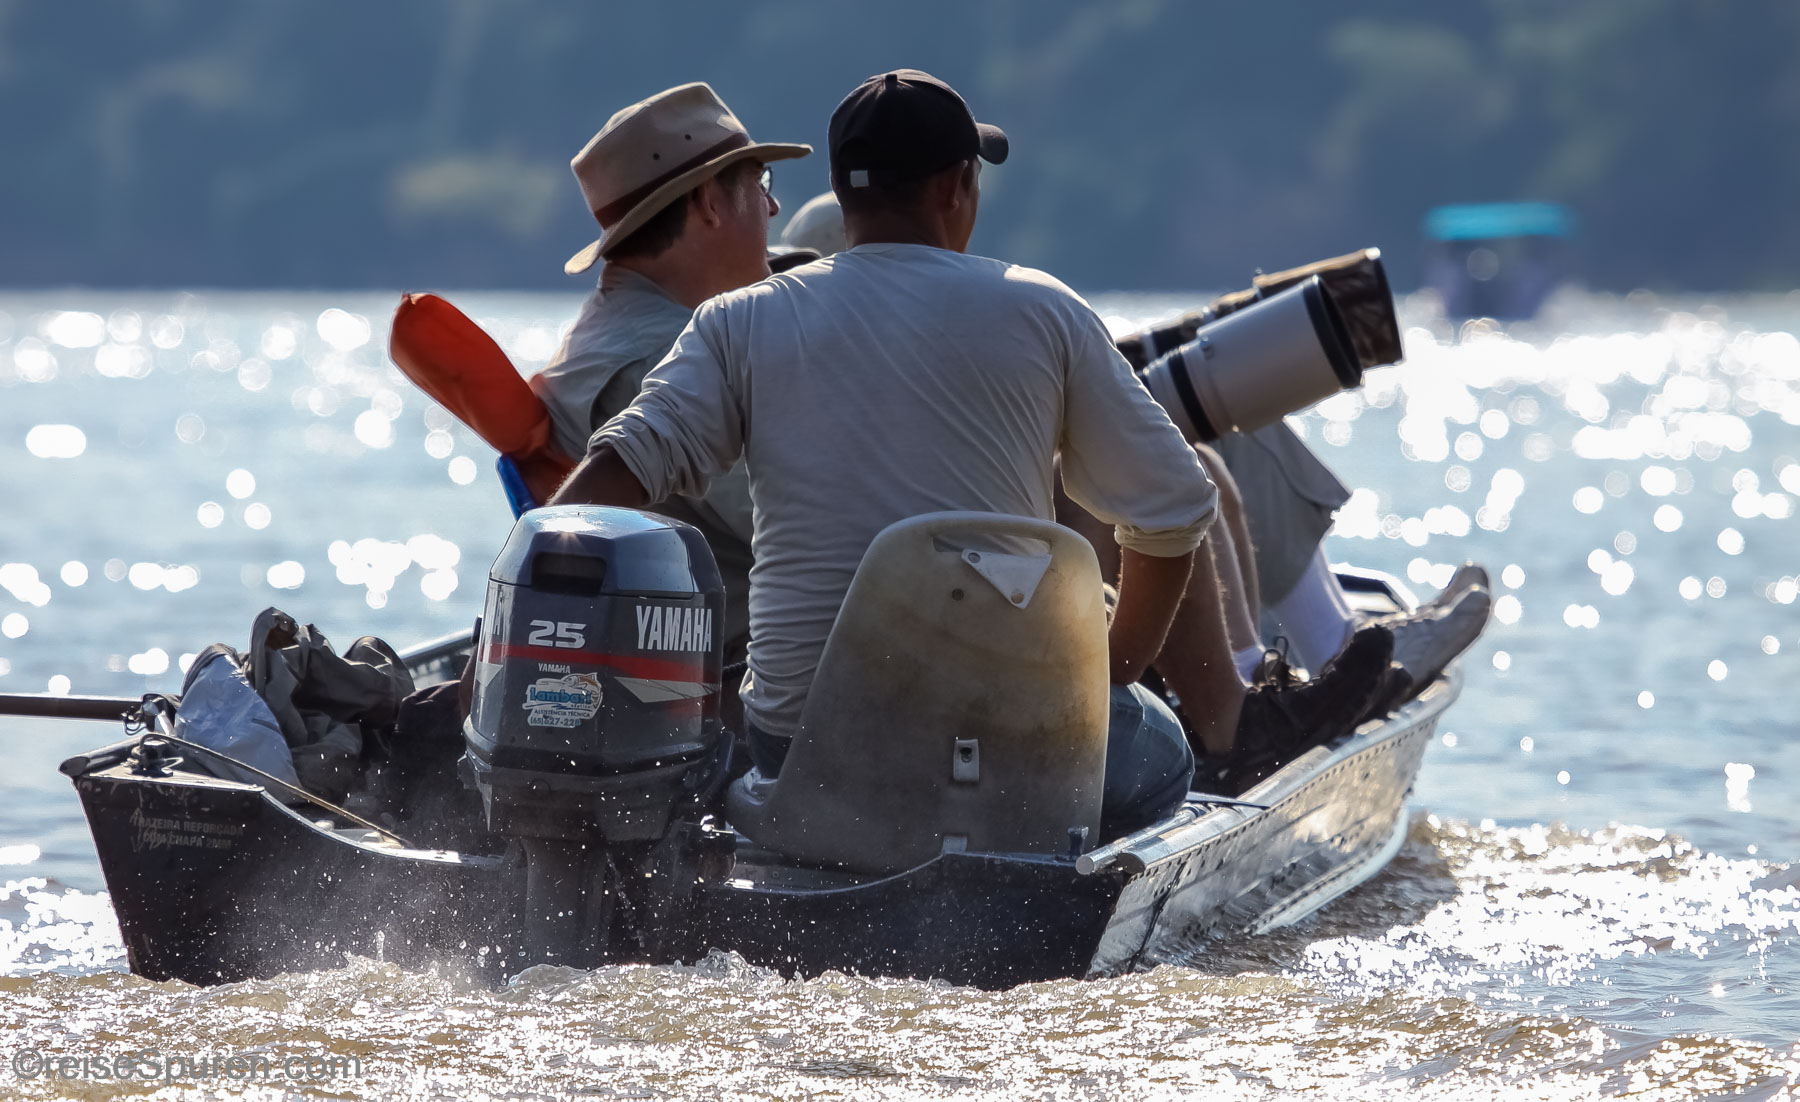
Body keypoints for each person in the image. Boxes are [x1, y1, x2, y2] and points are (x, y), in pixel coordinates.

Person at [553, 69, 1399, 826]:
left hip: (800, 750)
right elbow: (1177, 508)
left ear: (842, 207)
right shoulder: (1042, 307)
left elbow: (614, 474)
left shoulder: (734, 322)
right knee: (1166, 760)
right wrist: (1112, 673)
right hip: (1005, 746)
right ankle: (1187, 746)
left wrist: (539, 594)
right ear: (960, 188)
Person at [529, 82, 811, 663]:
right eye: (761, 185)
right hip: (742, 671)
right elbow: (812, 531)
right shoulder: (668, 359)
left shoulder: (615, 332)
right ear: (710, 202)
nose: (774, 208)